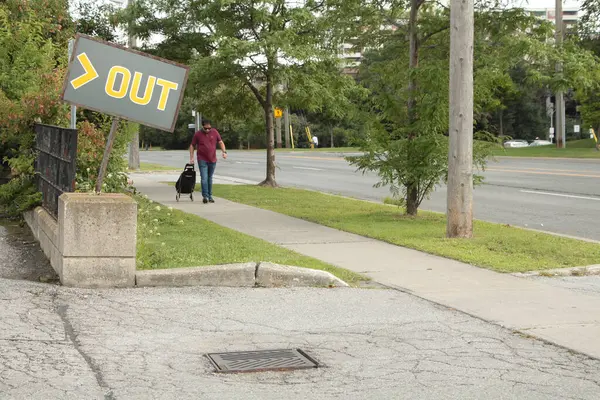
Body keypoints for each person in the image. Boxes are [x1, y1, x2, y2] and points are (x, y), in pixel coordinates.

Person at [189, 120, 227, 204]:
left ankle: (210, 196)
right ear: (202, 126)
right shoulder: (198, 134)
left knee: (210, 178)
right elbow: (192, 145)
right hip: (202, 159)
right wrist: (191, 158)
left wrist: (224, 152)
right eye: (205, 128)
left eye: (209, 128)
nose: (207, 130)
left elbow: (220, 142)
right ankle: (205, 196)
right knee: (204, 178)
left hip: (212, 159)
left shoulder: (214, 132)